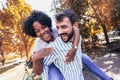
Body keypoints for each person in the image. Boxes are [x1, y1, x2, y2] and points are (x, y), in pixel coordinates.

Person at [23, 10, 113, 80]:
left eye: (44, 27)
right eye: (37, 31)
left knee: (85, 58)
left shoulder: (57, 30)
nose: (42, 32)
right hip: (52, 64)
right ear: (33, 33)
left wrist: (74, 49)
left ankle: (107, 78)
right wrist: (35, 59)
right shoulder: (38, 46)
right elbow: (38, 72)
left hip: (65, 54)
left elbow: (76, 31)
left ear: (48, 24)